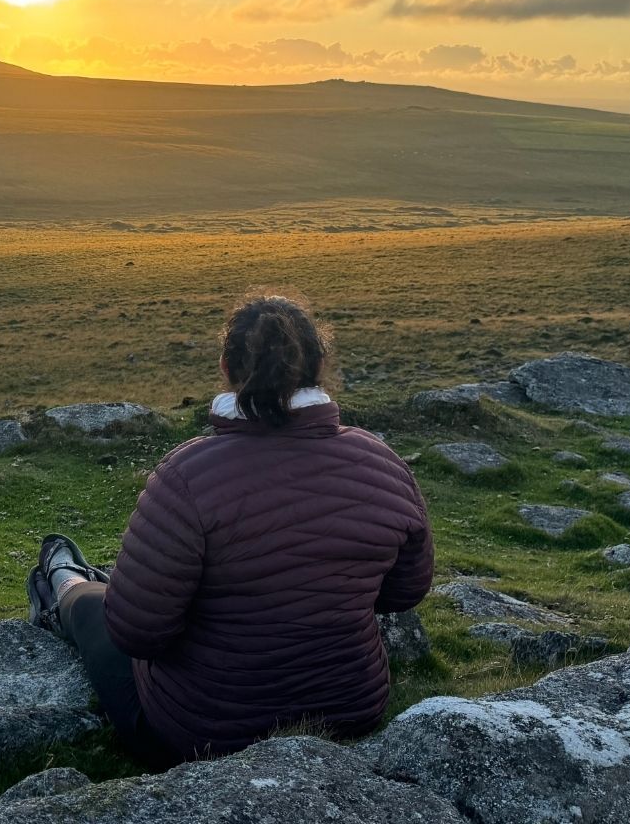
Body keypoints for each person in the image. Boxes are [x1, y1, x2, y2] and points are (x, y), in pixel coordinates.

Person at [27, 294, 432, 764]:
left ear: (226, 367)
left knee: (98, 611)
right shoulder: (382, 463)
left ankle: (63, 582)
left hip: (203, 733)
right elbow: (404, 592)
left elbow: (136, 632)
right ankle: (74, 579)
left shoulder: (187, 475)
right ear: (319, 364)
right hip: (352, 709)